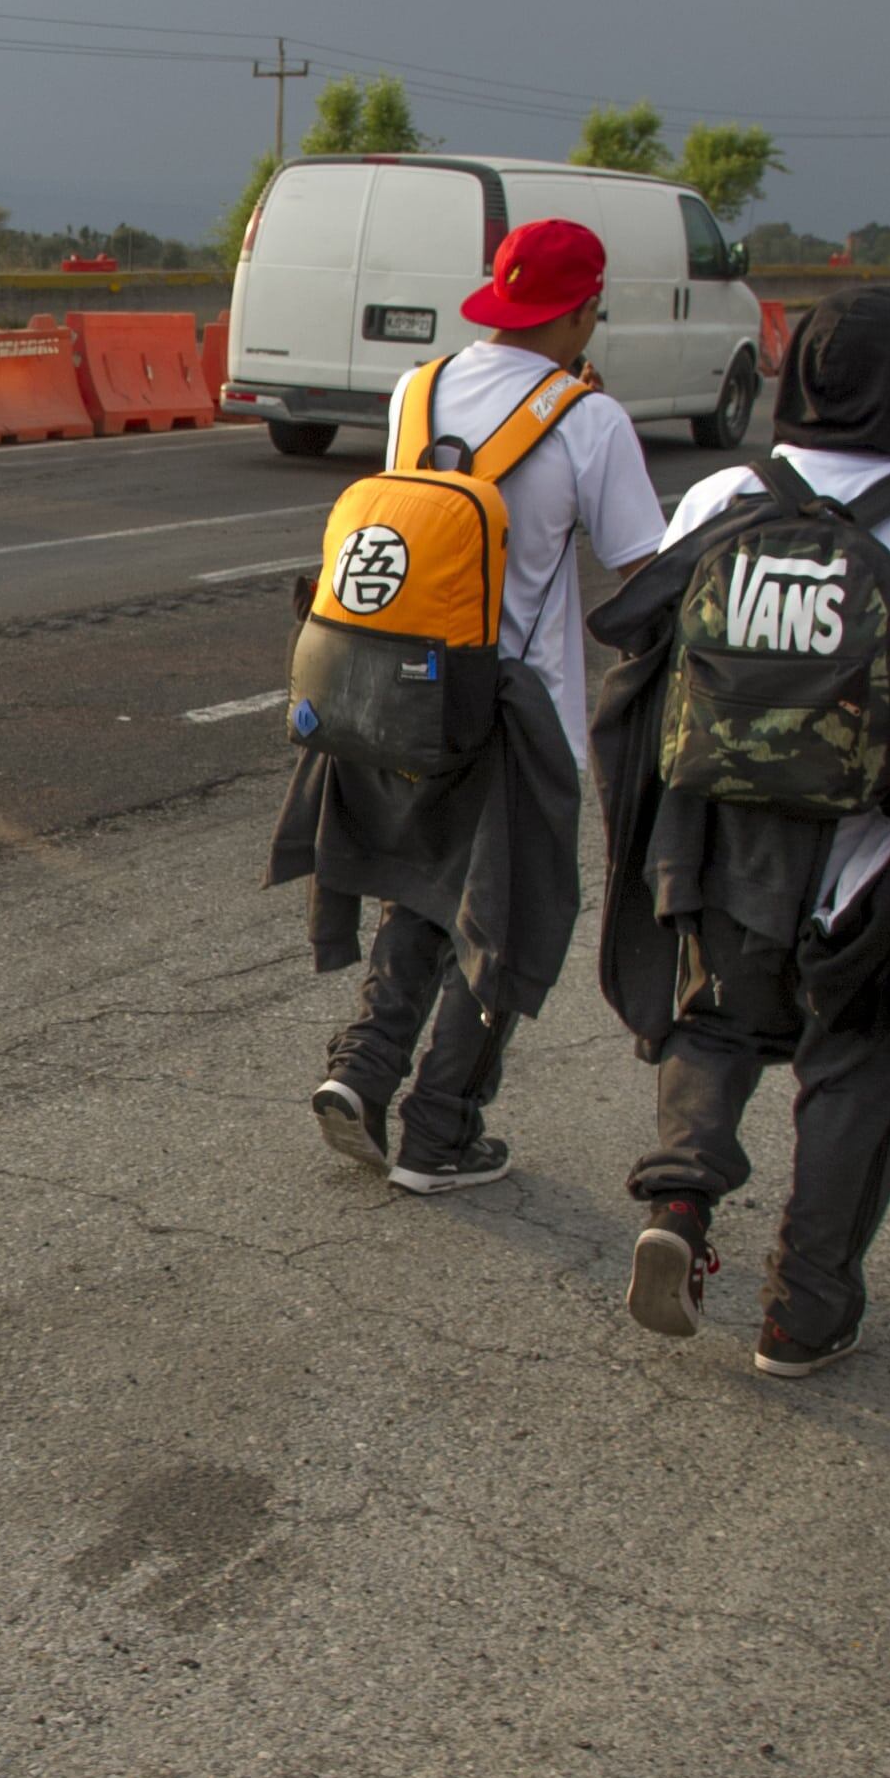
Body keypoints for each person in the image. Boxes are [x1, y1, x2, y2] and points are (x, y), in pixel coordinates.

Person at [588, 288, 890, 1375]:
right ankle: (802, 1315)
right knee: (859, 1063)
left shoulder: (723, 497)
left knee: (713, 1020)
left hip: (714, 844)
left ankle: (679, 1199)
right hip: (864, 860)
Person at [281, 217, 667, 1192]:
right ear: (582, 310)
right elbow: (646, 576)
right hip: (518, 713)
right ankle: (441, 1131)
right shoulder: (589, 421)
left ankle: (363, 1069)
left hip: (400, 694)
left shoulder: (418, 389)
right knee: (512, 922)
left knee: (423, 889)